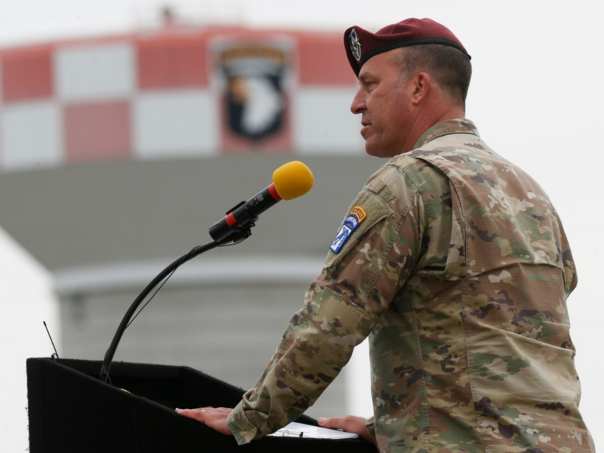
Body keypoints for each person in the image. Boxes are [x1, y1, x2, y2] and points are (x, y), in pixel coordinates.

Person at [178, 18, 594, 452]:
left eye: (370, 85)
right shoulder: (531, 194)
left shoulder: (409, 182)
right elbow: (516, 340)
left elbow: (330, 324)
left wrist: (249, 418)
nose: (356, 104)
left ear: (418, 87)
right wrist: (395, 425)